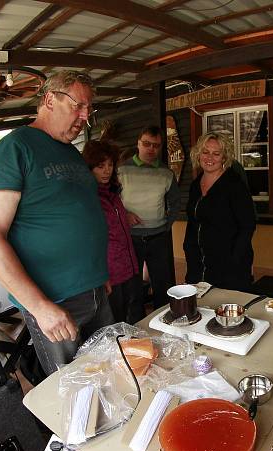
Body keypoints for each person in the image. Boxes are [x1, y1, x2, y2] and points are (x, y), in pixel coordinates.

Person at [0, 70, 112, 376]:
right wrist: (39, 307)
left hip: (94, 291)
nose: (84, 117)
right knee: (74, 390)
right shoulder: (14, 150)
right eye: (78, 106)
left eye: (88, 110)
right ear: (50, 99)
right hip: (55, 303)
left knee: (111, 373)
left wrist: (98, 273)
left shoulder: (72, 154)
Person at [184, 132, 257, 291]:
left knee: (227, 310)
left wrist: (235, 258)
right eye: (205, 152)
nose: (210, 158)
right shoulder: (195, 185)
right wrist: (188, 249)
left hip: (229, 265)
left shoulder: (234, 185)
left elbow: (248, 225)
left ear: (224, 157)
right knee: (202, 308)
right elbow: (193, 222)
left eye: (216, 153)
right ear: (198, 154)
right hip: (198, 263)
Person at [117, 126, 179, 309]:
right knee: (133, 287)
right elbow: (111, 201)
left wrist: (166, 225)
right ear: (138, 143)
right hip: (130, 237)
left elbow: (175, 202)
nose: (151, 149)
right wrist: (125, 215)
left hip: (158, 237)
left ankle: (162, 322)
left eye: (156, 145)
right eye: (147, 144)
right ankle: (136, 326)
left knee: (162, 285)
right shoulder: (122, 171)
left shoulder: (166, 173)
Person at [83, 139, 145, 324]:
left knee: (133, 314)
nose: (107, 170)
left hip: (129, 266)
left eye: (110, 165)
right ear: (89, 168)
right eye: (100, 166)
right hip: (110, 273)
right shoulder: (89, 197)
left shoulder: (113, 193)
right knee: (115, 321)